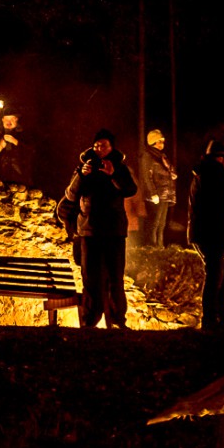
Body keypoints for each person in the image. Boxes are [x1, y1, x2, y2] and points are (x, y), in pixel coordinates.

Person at [63, 129, 138, 329]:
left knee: (115, 277)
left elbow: (131, 189)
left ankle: (117, 320)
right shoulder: (84, 166)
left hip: (114, 231)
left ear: (111, 147)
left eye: (103, 145)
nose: (99, 149)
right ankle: (89, 320)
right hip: (89, 230)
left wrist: (113, 175)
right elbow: (70, 195)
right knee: (90, 278)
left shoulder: (119, 167)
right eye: (96, 145)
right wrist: (81, 175)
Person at [188, 139, 224, 332]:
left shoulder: (206, 174)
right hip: (210, 234)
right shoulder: (213, 176)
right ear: (220, 158)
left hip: (204, 232)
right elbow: (219, 211)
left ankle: (222, 318)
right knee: (215, 276)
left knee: (221, 274)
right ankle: (210, 320)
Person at [140, 129, 178, 247]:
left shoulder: (162, 157)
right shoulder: (148, 156)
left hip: (165, 194)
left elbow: (169, 172)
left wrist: (171, 174)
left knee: (162, 223)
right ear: (153, 142)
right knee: (154, 222)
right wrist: (153, 193)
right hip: (157, 194)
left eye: (162, 141)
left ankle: (160, 246)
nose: (162, 144)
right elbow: (147, 176)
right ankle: (152, 245)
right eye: (159, 141)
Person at [0, 112, 34, 186]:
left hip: (20, 176)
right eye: (6, 119)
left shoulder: (25, 134)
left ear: (16, 119)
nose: (9, 122)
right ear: (2, 120)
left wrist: (16, 142)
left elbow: (31, 151)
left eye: (11, 119)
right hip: (0, 175)